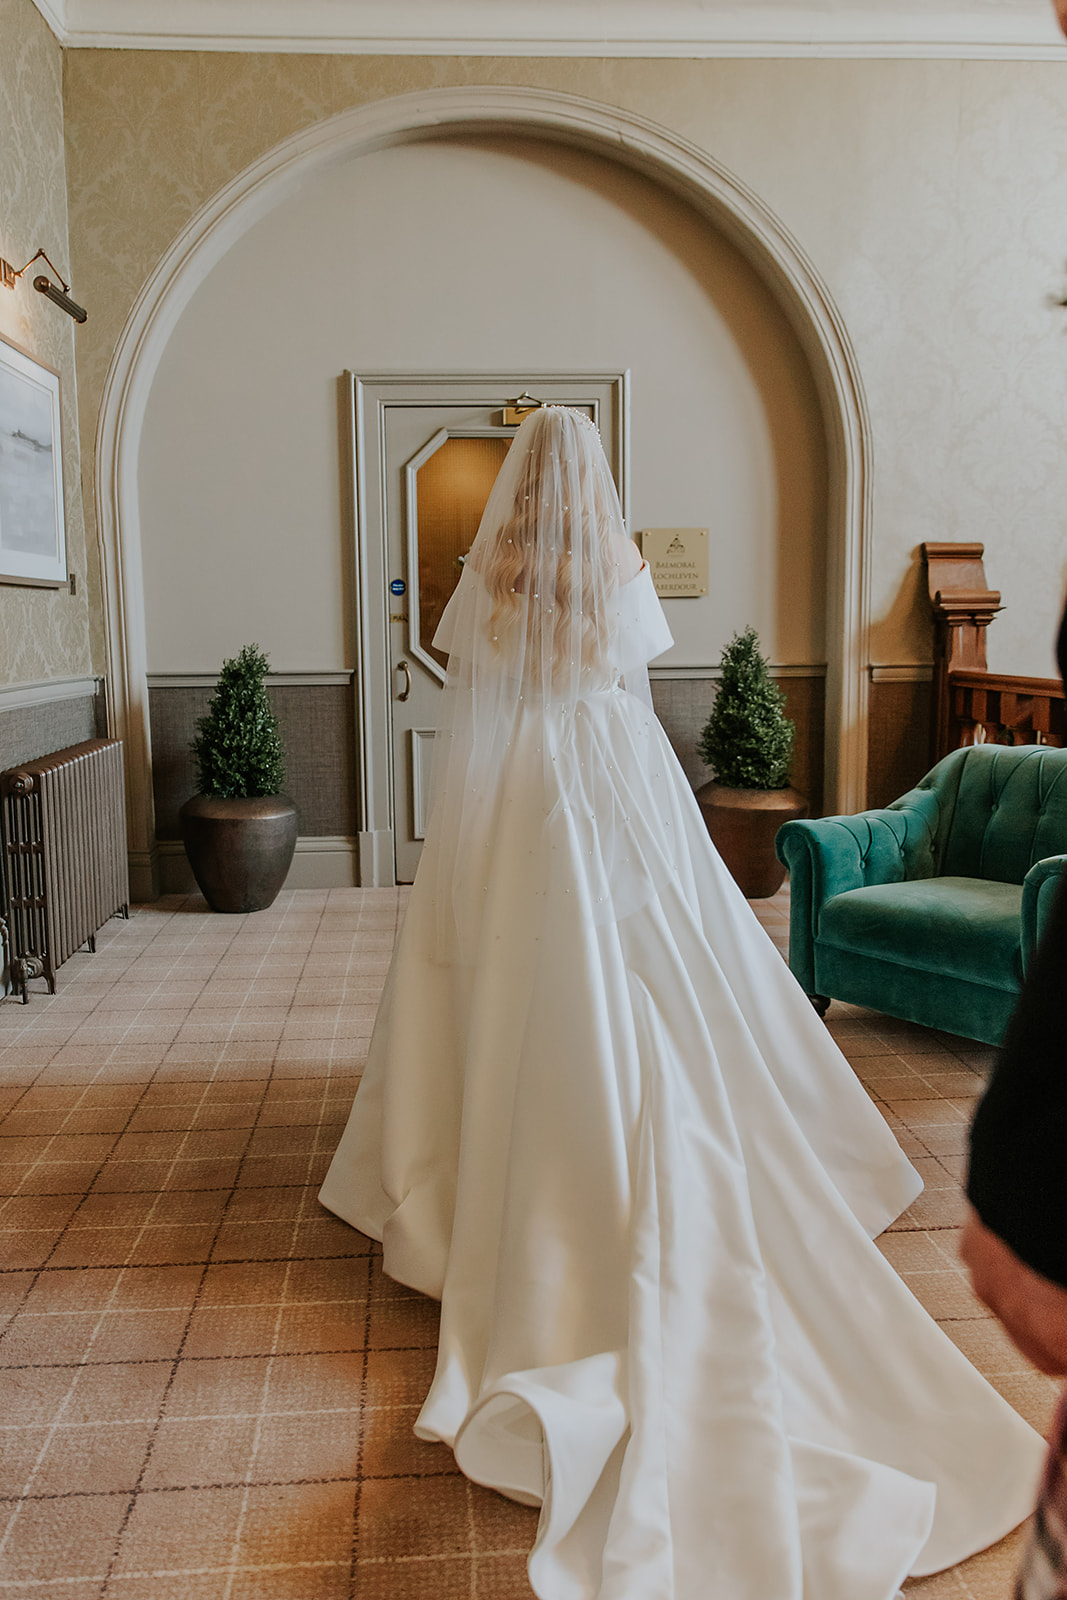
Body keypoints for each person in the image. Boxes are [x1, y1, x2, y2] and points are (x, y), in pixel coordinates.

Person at [321, 405, 1044, 1600]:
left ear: (518, 481)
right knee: (661, 955)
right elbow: (629, 664)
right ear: (592, 479)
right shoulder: (614, 562)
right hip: (611, 762)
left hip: (528, 778)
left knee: (521, 962)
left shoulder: (491, 568)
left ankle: (502, 1117)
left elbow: (475, 680)